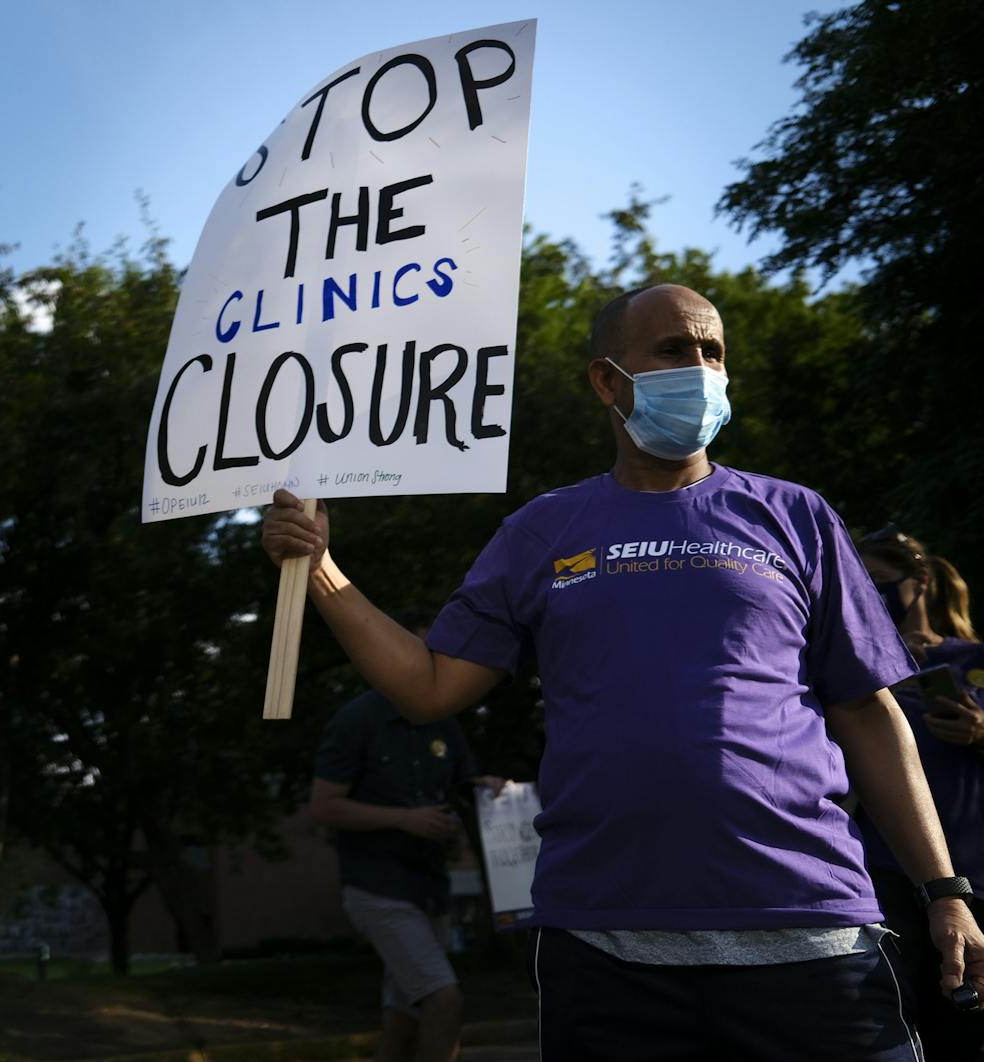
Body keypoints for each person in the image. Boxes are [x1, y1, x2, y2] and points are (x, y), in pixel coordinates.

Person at [262, 283, 984, 1060]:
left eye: (714, 352)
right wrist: (323, 570)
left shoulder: (795, 515)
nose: (701, 369)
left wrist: (944, 890)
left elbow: (867, 715)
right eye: (674, 351)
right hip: (604, 946)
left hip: (809, 930)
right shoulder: (541, 529)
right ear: (608, 381)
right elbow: (429, 688)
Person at [311, 607, 500, 1062]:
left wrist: (489, 789)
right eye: (421, 649)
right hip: (378, 888)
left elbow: (460, 788)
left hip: (430, 889)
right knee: (444, 999)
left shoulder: (445, 721)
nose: (433, 659)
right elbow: (324, 807)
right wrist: (403, 818)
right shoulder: (357, 720)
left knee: (403, 1021)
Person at [857, 528, 984, 1060]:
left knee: (967, 1011)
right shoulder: (854, 664)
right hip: (882, 865)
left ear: (921, 581)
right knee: (894, 1011)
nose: (875, 595)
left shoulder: (972, 657)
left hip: (972, 861)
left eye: (883, 583)